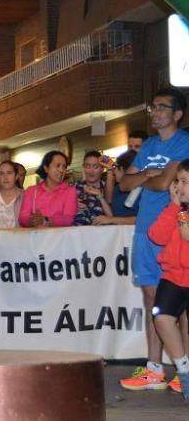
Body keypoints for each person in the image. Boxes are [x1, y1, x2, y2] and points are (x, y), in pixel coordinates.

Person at [118, 88, 189, 392]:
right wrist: (151, 173)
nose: (155, 111)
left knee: (180, 303)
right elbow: (124, 182)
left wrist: (148, 176)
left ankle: (184, 366)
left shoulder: (183, 142)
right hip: (145, 230)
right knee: (150, 299)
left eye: (162, 107)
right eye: (153, 107)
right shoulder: (148, 145)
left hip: (175, 230)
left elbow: (164, 184)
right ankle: (154, 368)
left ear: (177, 114)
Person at [145, 158, 189, 402]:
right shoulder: (175, 209)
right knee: (161, 318)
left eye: (184, 182)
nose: (179, 186)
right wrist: (174, 207)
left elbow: (186, 234)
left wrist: (181, 212)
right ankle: (184, 370)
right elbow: (156, 236)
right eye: (178, 181)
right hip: (172, 276)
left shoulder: (183, 213)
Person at [18, 151, 79, 228]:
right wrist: (31, 221)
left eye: (64, 167)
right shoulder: (31, 191)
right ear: (46, 168)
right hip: (36, 238)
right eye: (57, 166)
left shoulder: (70, 191)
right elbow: (22, 218)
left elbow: (70, 219)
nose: (61, 170)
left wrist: (46, 220)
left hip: (61, 238)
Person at [73, 150, 114, 226]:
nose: (91, 171)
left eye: (95, 167)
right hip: (76, 233)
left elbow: (112, 218)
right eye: (87, 166)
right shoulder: (74, 187)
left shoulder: (108, 188)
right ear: (83, 168)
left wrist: (110, 167)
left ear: (102, 169)